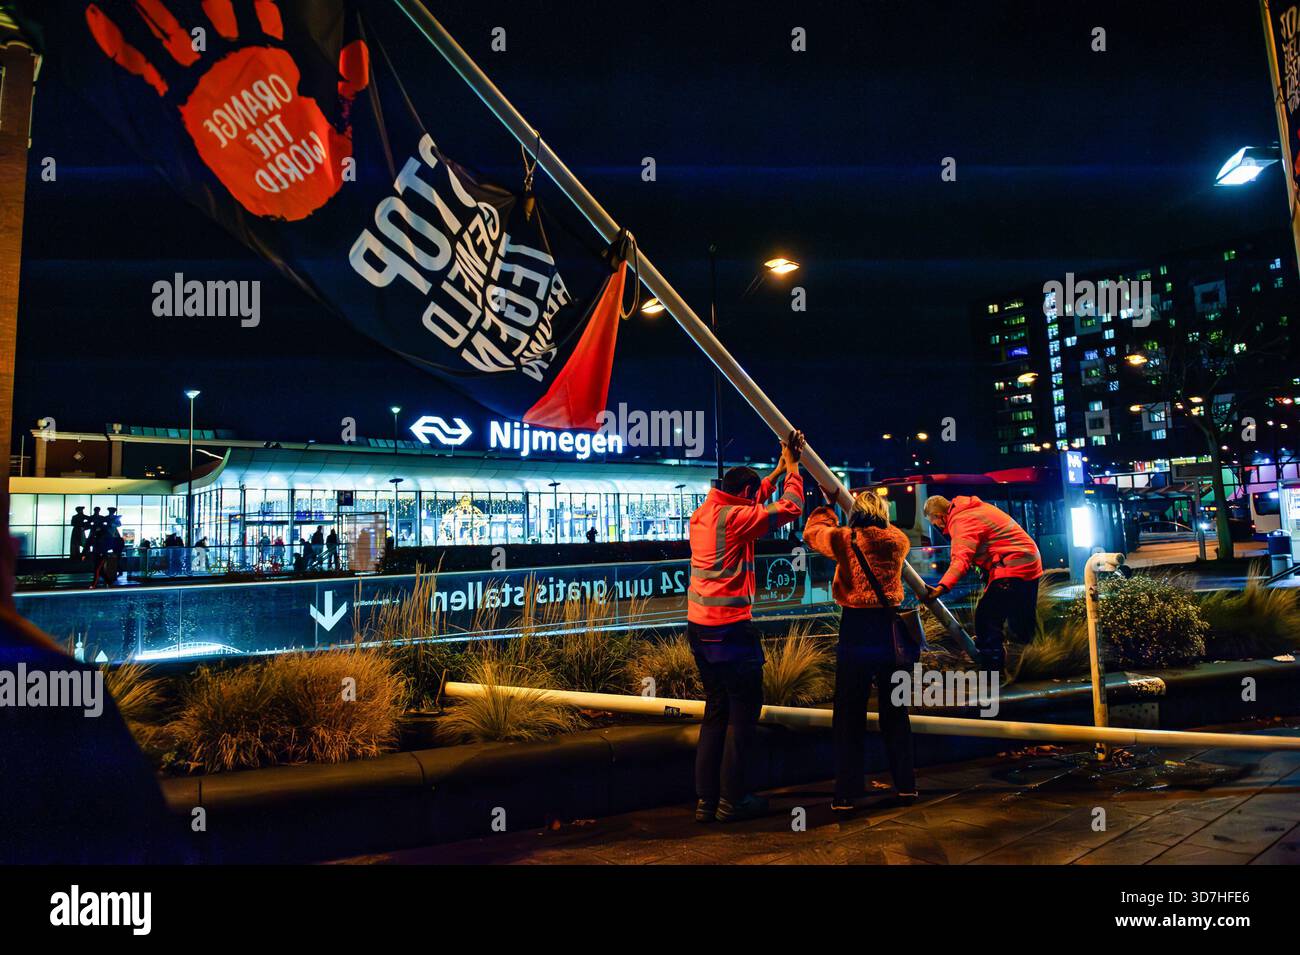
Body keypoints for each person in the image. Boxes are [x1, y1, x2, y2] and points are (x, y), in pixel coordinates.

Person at [687, 429, 805, 824]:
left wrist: (777, 465)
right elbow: (789, 508)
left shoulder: (705, 512)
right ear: (745, 495)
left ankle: (706, 801)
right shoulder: (736, 519)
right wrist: (794, 470)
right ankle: (732, 800)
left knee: (716, 711)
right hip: (732, 632)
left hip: (699, 631)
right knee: (742, 715)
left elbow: (754, 497)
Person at [804, 487, 916, 811]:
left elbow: (813, 535)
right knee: (896, 711)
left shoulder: (847, 539)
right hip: (891, 630)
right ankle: (906, 785)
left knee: (848, 713)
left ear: (855, 513)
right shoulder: (899, 541)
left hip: (857, 629)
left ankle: (847, 792)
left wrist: (827, 507)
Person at [922, 494, 1043, 672]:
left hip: (1012, 565)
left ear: (940, 516)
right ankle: (1027, 666)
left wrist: (942, 587)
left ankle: (993, 671)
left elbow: (960, 559)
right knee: (1021, 621)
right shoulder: (974, 509)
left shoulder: (961, 520)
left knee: (986, 618)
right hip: (1029, 562)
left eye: (935, 523)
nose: (938, 528)